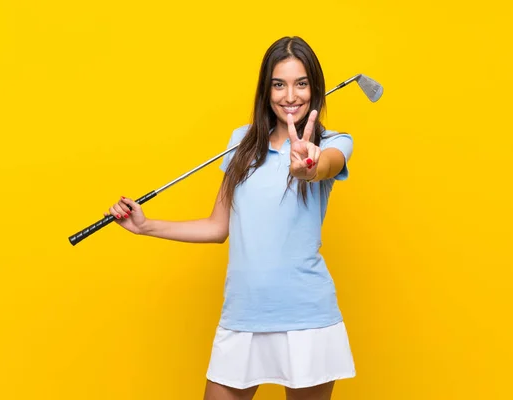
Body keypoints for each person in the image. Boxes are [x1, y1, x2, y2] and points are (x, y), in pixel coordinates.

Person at [105, 36, 356, 400]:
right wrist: (145, 226)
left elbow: (324, 166)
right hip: (243, 314)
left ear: (315, 88)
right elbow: (217, 227)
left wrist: (308, 167)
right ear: (266, 90)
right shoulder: (242, 143)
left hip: (307, 316)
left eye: (301, 83)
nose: (290, 96)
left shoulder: (334, 143)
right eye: (279, 84)